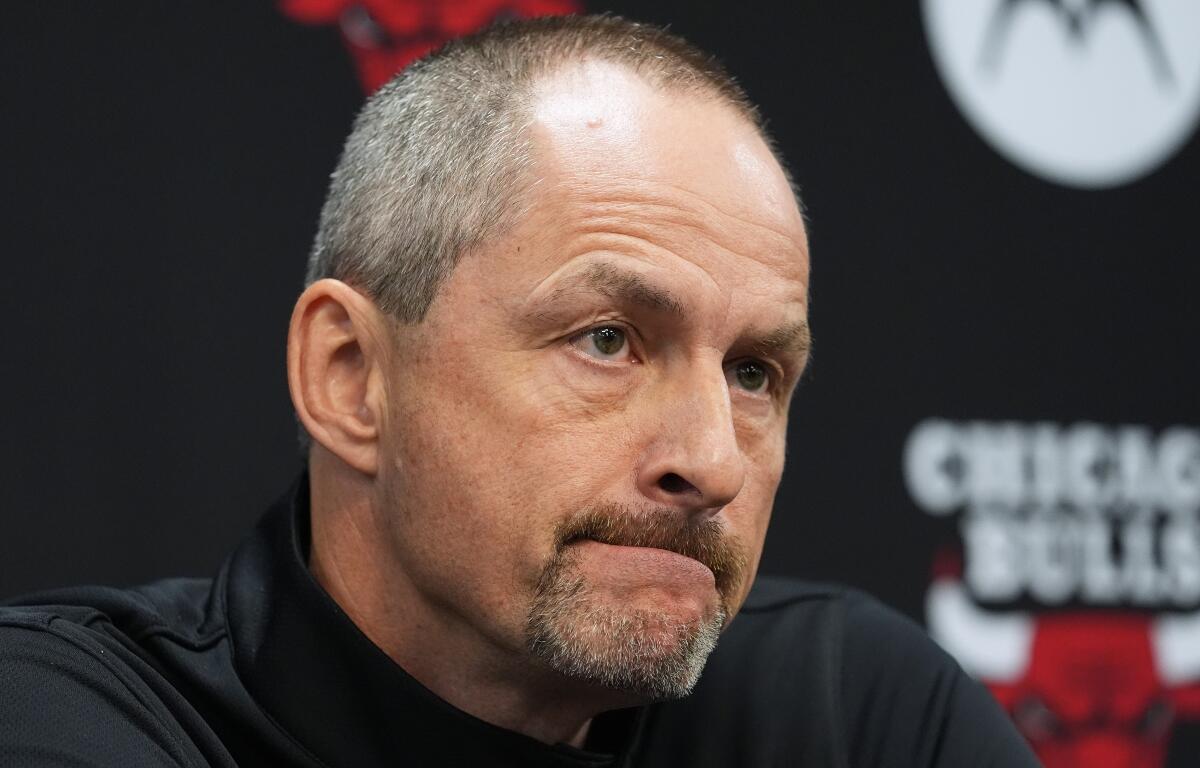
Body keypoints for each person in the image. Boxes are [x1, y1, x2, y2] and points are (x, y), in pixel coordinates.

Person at [0, 14, 1038, 767]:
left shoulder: (855, 715)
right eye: (608, 340)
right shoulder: (61, 720)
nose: (713, 461)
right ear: (350, 378)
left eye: (753, 373)